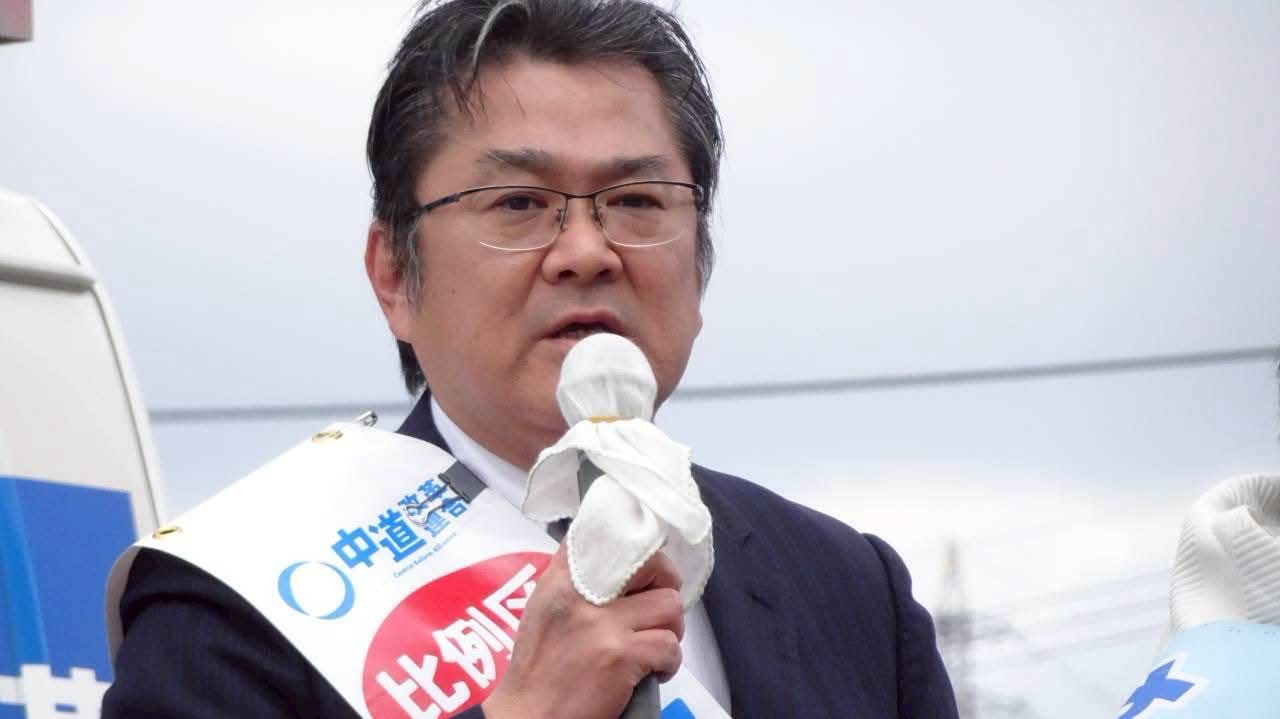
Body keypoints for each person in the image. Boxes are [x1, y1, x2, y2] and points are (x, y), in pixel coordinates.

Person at [102, 1, 958, 717]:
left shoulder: (850, 590)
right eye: (517, 202)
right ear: (394, 275)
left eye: (636, 200)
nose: (586, 251)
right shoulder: (232, 609)